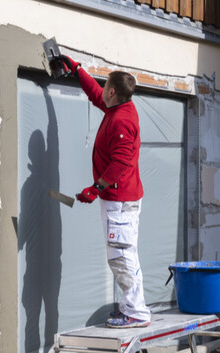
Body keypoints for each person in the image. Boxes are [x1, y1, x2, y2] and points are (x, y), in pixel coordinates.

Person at [58, 55, 151, 328]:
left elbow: (121, 161)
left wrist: (96, 187)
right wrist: (77, 70)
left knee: (120, 256)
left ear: (113, 91)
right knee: (124, 254)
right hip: (120, 198)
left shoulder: (121, 120)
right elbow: (97, 95)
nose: (102, 90)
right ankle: (133, 307)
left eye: (105, 86)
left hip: (119, 200)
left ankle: (136, 312)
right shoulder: (118, 107)